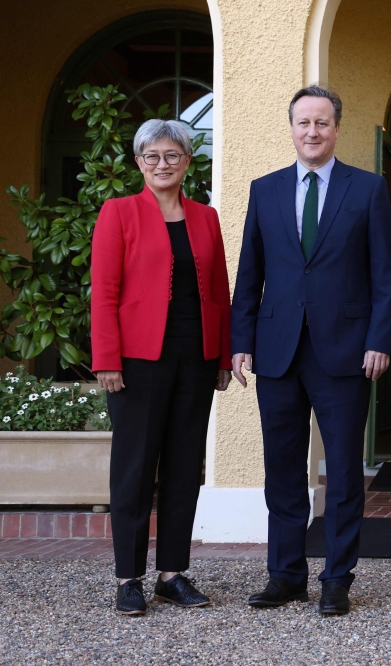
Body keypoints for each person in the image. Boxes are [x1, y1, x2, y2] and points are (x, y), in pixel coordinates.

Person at [230, 85, 391, 615]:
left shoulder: (368, 189)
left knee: (345, 472)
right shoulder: (266, 189)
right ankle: (285, 575)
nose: (312, 131)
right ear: (291, 128)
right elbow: (250, 273)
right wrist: (241, 342)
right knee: (282, 469)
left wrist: (379, 340)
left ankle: (336, 577)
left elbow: (386, 278)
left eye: (322, 123)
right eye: (303, 123)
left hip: (346, 352)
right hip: (277, 351)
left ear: (336, 128)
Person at [92, 119, 232, 616]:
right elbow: (104, 292)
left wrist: (221, 355)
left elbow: (219, 292)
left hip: (194, 358)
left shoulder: (205, 218)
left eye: (172, 155)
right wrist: (107, 358)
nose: (162, 164)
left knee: (182, 466)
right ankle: (128, 577)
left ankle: (173, 573)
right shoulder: (119, 212)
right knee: (134, 468)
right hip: (135, 361)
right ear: (138, 163)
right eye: (151, 156)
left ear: (188, 162)